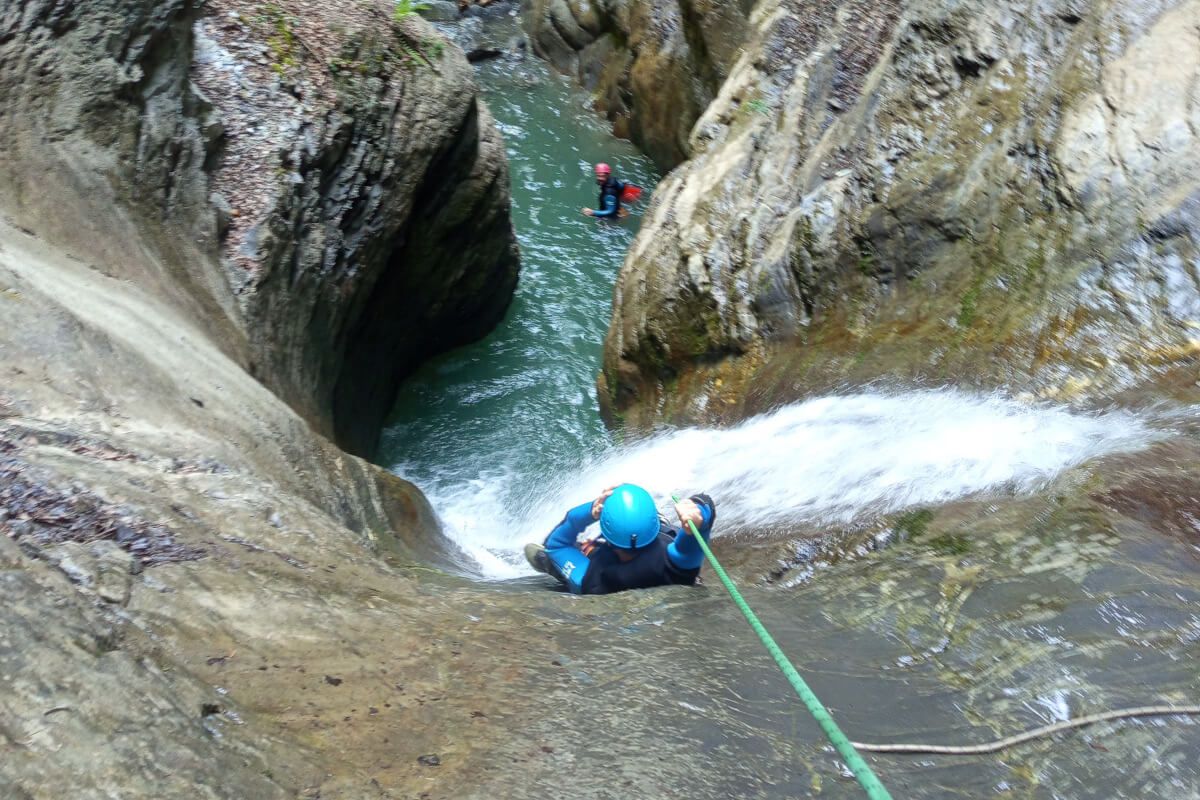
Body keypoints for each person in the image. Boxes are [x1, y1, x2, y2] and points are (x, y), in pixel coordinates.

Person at [524, 484, 716, 595]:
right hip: (666, 568)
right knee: (670, 532)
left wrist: (589, 512)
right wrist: (699, 512)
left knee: (547, 555)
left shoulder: (591, 581)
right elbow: (705, 504)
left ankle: (549, 565)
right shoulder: (674, 563)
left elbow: (556, 544)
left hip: (601, 566)